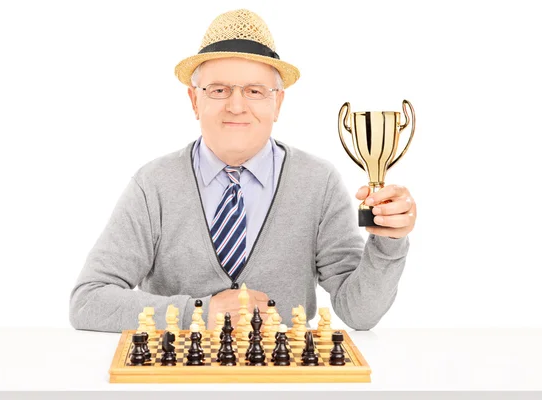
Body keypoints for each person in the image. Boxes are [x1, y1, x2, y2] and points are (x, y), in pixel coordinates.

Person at [69, 9, 417, 333]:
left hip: (285, 383)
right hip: (176, 384)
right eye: (219, 90)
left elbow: (360, 312)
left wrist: (389, 240)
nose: (236, 106)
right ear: (194, 100)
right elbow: (88, 301)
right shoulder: (153, 185)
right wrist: (201, 313)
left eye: (255, 91)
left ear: (277, 103)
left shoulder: (318, 183)